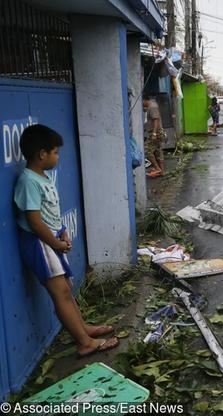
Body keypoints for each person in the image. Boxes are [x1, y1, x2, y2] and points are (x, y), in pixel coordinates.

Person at [14, 125, 119, 358]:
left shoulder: (42, 177)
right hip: (40, 244)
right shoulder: (28, 181)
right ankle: (84, 342)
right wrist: (55, 243)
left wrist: (62, 232)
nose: (57, 156)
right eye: (55, 152)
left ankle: (83, 329)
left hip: (50, 241)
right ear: (42, 154)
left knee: (67, 290)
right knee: (60, 293)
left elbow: (49, 213)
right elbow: (34, 221)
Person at [143, 94, 166, 177]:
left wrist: (154, 133)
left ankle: (157, 169)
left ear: (145, 100)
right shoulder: (151, 106)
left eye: (142, 102)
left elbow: (155, 120)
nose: (142, 104)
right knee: (158, 151)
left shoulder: (152, 107)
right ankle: (162, 171)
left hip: (157, 133)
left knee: (147, 150)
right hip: (158, 133)